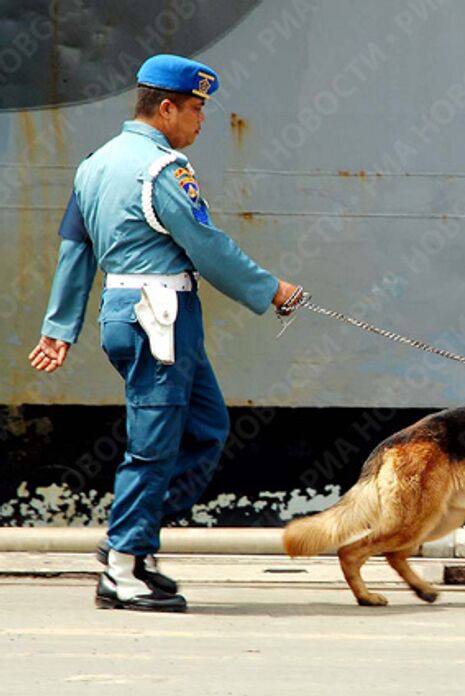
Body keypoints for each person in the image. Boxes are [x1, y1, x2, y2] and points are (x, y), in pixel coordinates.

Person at [28, 54, 304, 612]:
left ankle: (134, 539)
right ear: (168, 108)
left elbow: (75, 250)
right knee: (153, 448)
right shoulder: (162, 169)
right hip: (159, 318)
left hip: (129, 312)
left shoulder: (94, 164)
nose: (202, 121)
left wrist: (60, 327)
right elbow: (207, 246)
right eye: (197, 109)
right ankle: (123, 565)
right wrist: (271, 289)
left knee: (206, 427)